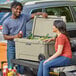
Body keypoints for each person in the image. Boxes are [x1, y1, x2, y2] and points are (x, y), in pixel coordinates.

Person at [2, 1, 47, 75]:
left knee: (22, 67)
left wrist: (42, 13)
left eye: (20, 9)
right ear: (12, 9)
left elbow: (34, 15)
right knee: (11, 66)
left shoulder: (23, 17)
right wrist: (15, 36)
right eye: (17, 9)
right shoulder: (6, 22)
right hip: (12, 47)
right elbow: (5, 36)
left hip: (22, 47)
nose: (19, 11)